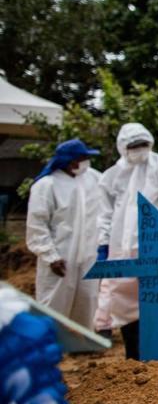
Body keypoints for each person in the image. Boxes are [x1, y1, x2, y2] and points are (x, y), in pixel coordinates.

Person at [97, 123, 158, 359]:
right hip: (121, 250)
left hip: (155, 248)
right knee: (125, 304)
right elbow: (105, 214)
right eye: (133, 146)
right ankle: (134, 361)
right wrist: (103, 244)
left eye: (142, 145)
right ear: (122, 147)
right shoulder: (111, 176)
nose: (139, 150)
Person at [25, 139, 102, 329]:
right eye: (83, 158)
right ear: (71, 161)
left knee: (87, 299)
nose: (86, 162)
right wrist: (50, 256)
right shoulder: (47, 185)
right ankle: (49, 344)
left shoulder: (93, 178)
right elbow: (37, 224)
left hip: (89, 255)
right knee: (55, 301)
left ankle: (82, 343)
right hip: (61, 256)